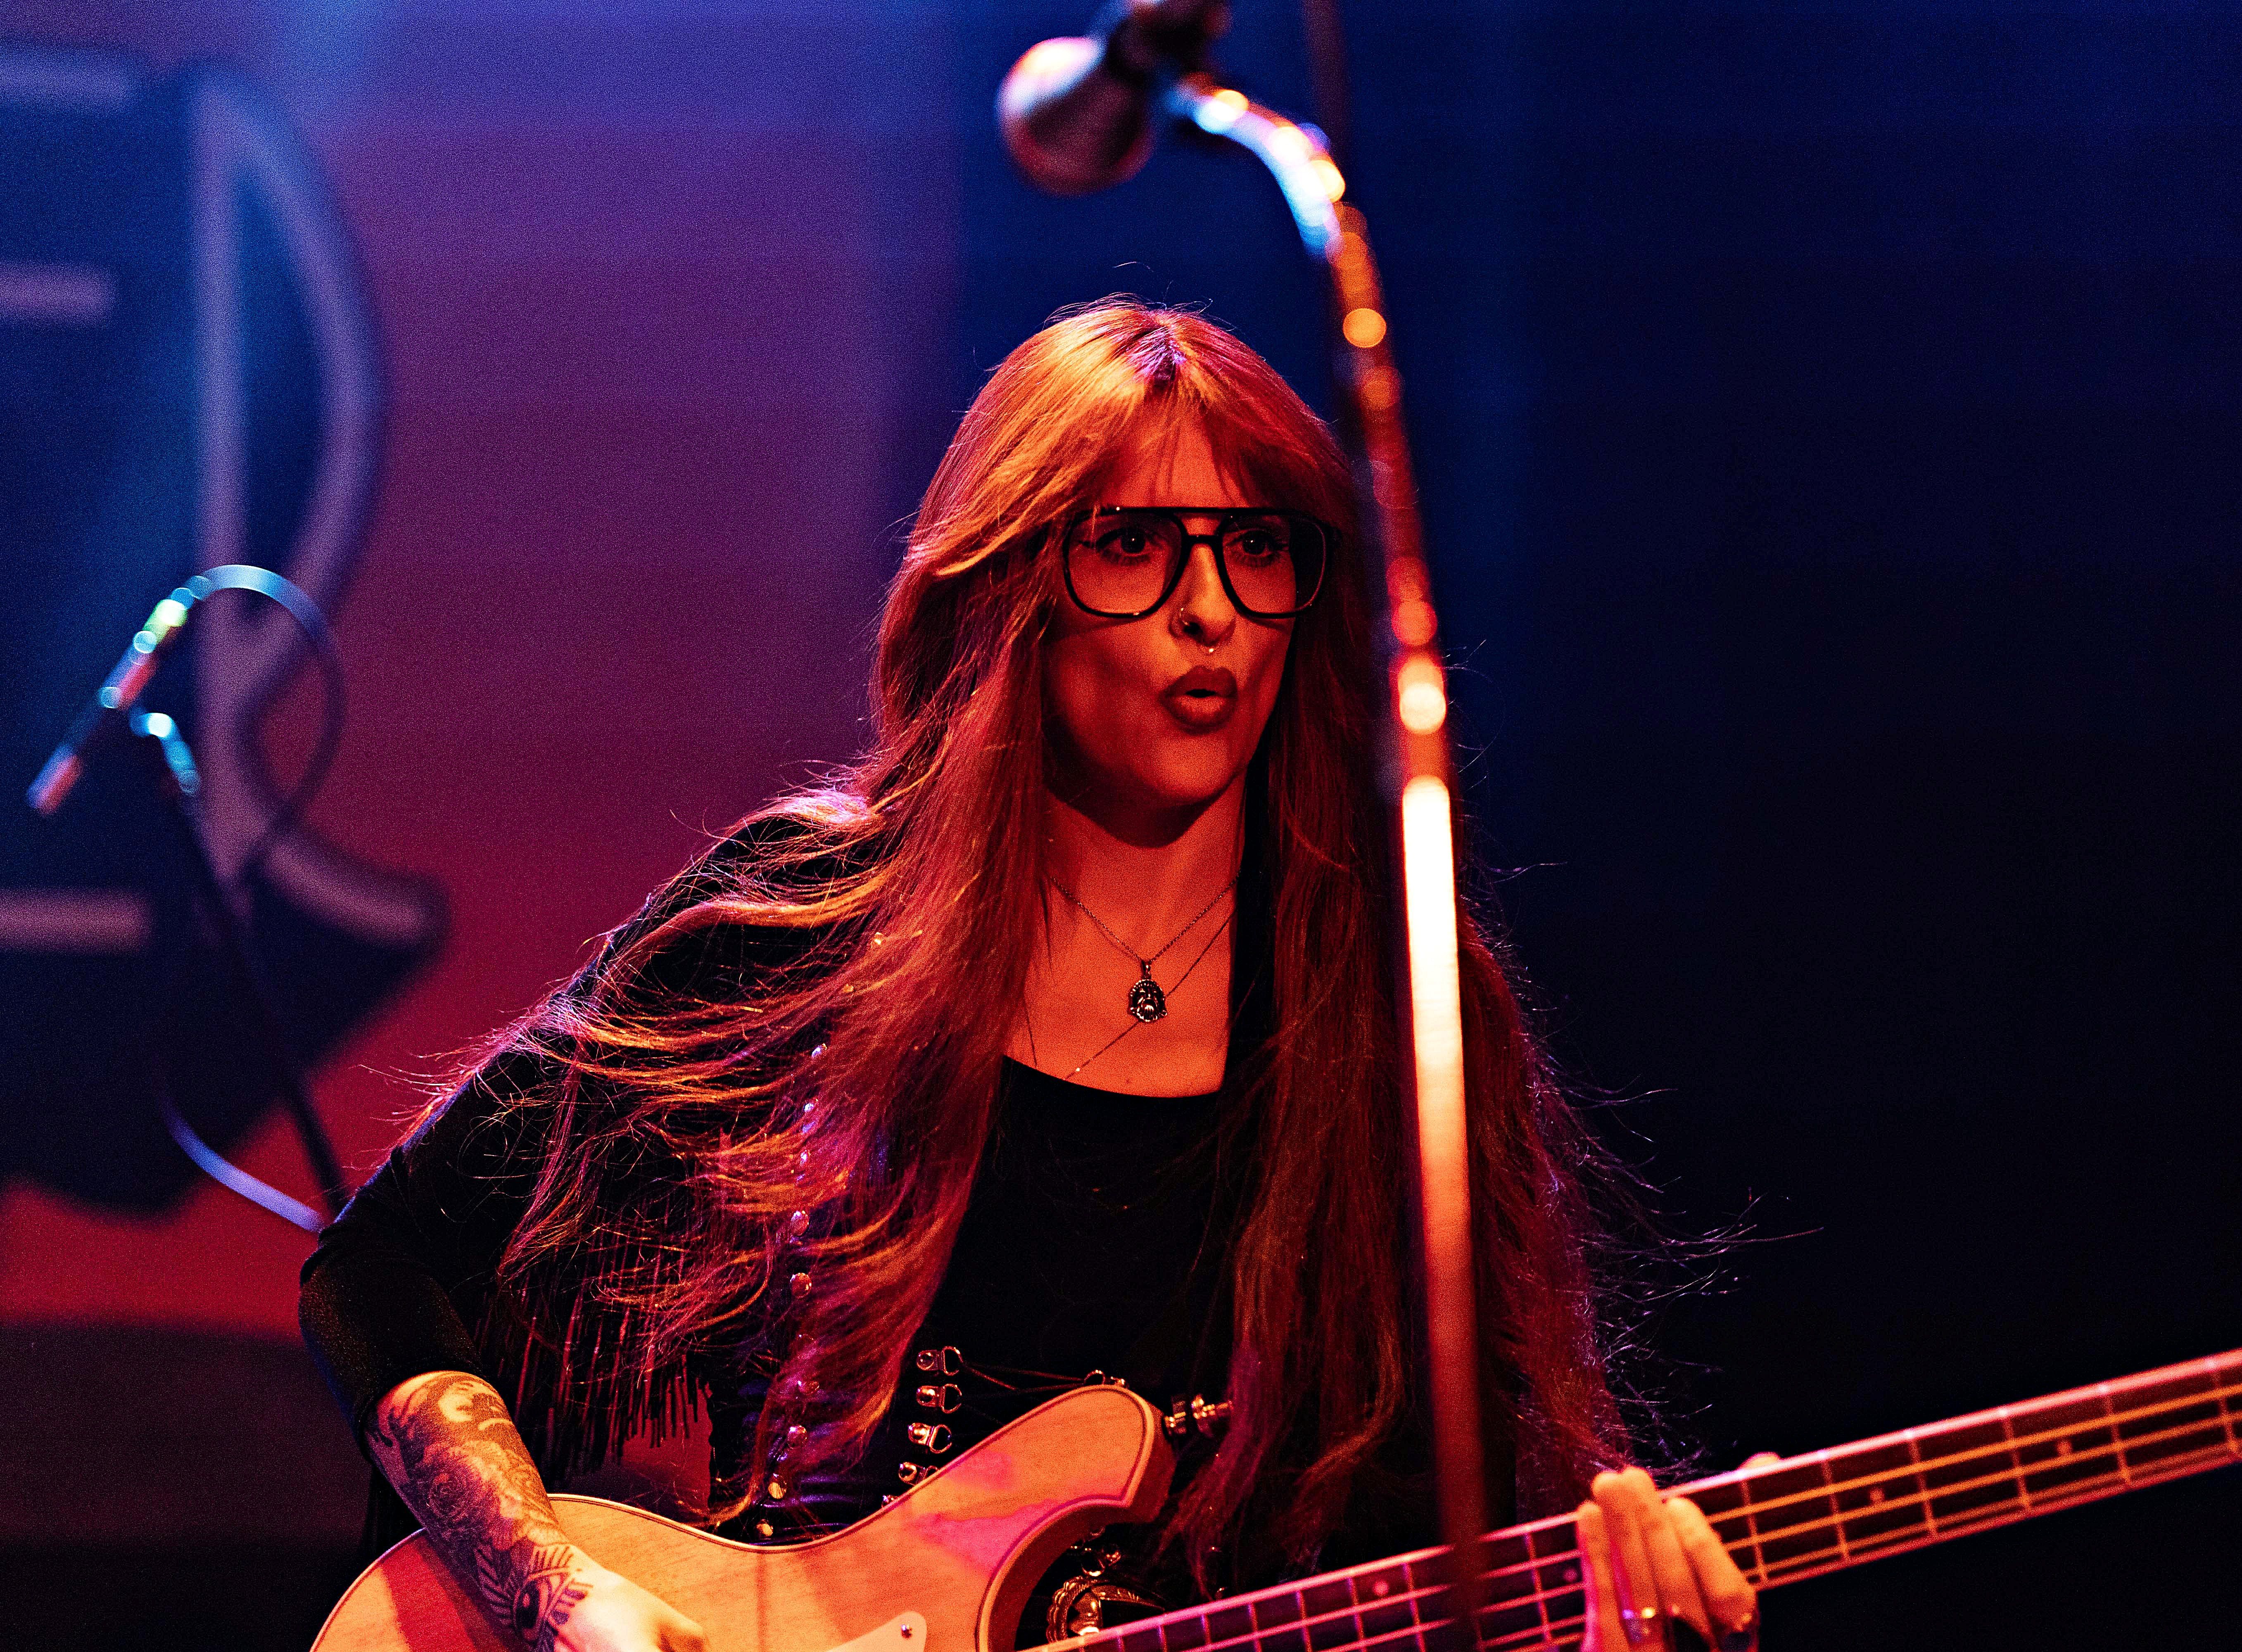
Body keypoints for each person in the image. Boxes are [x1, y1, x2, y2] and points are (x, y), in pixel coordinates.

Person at [299, 300, 1758, 1652]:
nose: (1211, 608)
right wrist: (558, 1593)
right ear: (1011, 587)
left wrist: (1605, 1619)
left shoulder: (1396, 1020)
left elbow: (1447, 1537)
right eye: (1133, 545)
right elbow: (382, 1268)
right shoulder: (808, 922)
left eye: (1257, 547)